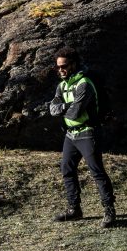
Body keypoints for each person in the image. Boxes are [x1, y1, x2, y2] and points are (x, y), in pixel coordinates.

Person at [49, 47, 116, 228]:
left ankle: (109, 210)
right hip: (70, 135)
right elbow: (52, 109)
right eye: (58, 67)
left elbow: (74, 113)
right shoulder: (61, 86)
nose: (60, 70)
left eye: (64, 66)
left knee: (96, 171)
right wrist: (67, 106)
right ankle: (74, 209)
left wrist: (64, 107)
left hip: (88, 132)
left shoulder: (84, 83)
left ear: (74, 64)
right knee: (67, 169)